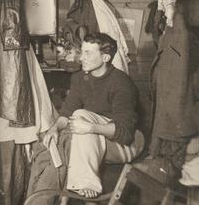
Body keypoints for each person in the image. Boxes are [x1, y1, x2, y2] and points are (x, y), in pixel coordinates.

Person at [42, 33, 143, 198]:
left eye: (88, 53)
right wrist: (54, 129)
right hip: (95, 139)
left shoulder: (122, 83)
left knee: (81, 115)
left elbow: (125, 133)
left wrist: (91, 127)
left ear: (105, 57)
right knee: (63, 132)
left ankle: (87, 182)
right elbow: (66, 113)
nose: (82, 58)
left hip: (126, 144)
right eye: (82, 51)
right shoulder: (80, 78)